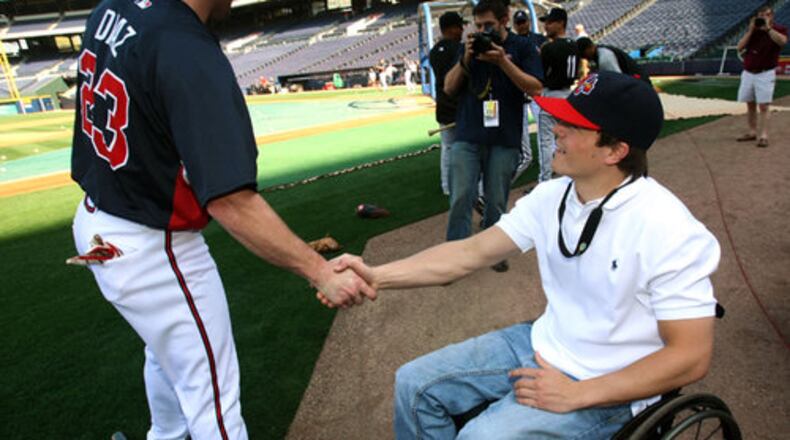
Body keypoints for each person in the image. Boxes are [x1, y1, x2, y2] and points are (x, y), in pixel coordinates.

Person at [320, 72, 721, 440]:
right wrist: (375, 275)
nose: (556, 130)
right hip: (544, 342)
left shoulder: (668, 229)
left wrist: (580, 394)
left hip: (608, 383)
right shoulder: (551, 196)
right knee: (414, 385)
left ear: (615, 150)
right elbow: (469, 252)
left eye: (573, 125)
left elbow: (690, 356)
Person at [69, 1, 374, 439]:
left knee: (167, 351)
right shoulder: (185, 46)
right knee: (214, 402)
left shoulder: (109, 8)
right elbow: (231, 202)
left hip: (99, 217)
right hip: (154, 244)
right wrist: (319, 271)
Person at [443, 0, 543, 273]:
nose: (483, 31)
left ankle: (492, 251)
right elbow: (449, 88)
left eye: (489, 25)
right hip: (468, 133)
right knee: (461, 195)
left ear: (504, 19)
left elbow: (535, 87)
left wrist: (502, 62)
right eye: (478, 26)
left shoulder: (521, 46)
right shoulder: (469, 48)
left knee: (496, 198)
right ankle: (455, 256)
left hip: (504, 136)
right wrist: (465, 57)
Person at [538, 7, 581, 183]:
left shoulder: (549, 48)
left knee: (547, 143)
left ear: (561, 23)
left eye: (550, 22)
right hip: (568, 97)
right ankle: (569, 179)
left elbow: (541, 75)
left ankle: (545, 182)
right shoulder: (574, 45)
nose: (546, 26)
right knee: (567, 140)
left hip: (551, 96)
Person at [736, 5, 788, 148]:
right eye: (761, 15)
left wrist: (769, 29)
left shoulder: (778, 30)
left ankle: (764, 135)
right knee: (750, 103)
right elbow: (739, 47)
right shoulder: (753, 32)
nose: (764, 17)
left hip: (765, 73)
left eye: (767, 15)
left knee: (764, 106)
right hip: (748, 72)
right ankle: (752, 131)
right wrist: (751, 30)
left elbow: (782, 41)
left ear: (772, 17)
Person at [429, 11, 466, 196]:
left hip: (443, 106)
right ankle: (461, 183)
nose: (462, 29)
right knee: (466, 148)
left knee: (447, 148)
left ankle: (446, 186)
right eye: (460, 26)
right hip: (459, 106)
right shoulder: (459, 49)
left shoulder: (434, 51)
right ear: (451, 28)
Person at [512, 9, 546, 184]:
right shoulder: (512, 42)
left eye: (523, 21)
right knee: (521, 138)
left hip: (535, 95)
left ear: (528, 22)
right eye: (518, 23)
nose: (521, 25)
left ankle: (544, 171)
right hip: (518, 96)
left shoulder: (539, 40)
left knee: (543, 134)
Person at [577, 37, 651, 84]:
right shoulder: (599, 54)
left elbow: (617, 81)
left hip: (639, 84)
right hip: (634, 82)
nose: (584, 57)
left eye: (583, 53)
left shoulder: (604, 57)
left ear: (591, 47)